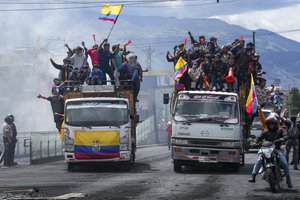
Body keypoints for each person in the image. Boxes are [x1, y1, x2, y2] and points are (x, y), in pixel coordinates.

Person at [248, 115, 293, 188]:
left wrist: (283, 139)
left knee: (284, 163)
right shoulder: (265, 132)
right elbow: (259, 138)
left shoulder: (280, 130)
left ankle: (288, 179)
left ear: (275, 124)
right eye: (269, 124)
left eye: (272, 124)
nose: (270, 125)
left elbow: (286, 135)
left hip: (277, 149)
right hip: (266, 149)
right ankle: (253, 176)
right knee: (259, 160)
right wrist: (255, 141)